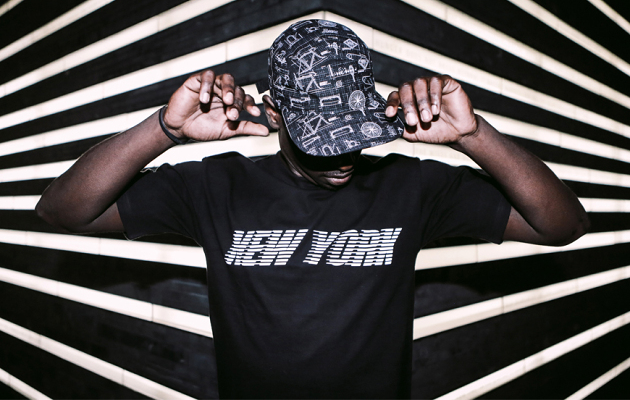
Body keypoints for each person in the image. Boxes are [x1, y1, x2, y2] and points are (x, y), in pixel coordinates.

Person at [36, 20, 589, 399]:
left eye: (355, 132)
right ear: (276, 113)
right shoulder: (215, 184)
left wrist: (474, 136)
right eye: (321, 139)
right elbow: (63, 211)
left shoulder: (412, 185)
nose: (343, 156)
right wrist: (165, 130)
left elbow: (563, 225)